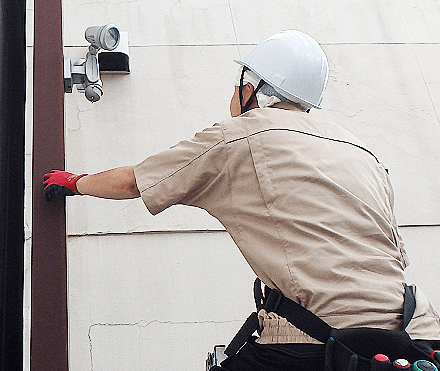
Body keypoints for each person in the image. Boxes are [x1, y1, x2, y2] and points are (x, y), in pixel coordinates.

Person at [43, 30, 440, 371]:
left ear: (252, 89)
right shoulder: (361, 151)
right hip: (419, 335)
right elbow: (394, 253)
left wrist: (75, 182)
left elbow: (135, 181)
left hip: (322, 340)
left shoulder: (241, 136)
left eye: (239, 83)